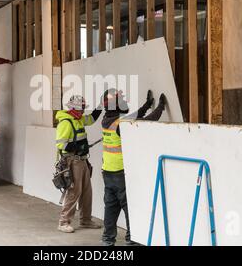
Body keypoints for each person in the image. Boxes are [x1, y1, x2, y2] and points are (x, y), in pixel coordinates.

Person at [100, 89, 166, 246]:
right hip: (120, 173)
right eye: (121, 101)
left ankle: (107, 240)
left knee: (111, 208)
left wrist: (147, 105)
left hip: (108, 172)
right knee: (129, 207)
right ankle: (132, 239)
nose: (124, 102)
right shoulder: (120, 124)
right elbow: (146, 122)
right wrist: (160, 107)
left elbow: (135, 116)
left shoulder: (108, 120)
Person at [55, 95, 103, 233]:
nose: (83, 112)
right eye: (81, 109)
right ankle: (63, 222)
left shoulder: (79, 119)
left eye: (83, 108)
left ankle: (85, 220)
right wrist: (77, 147)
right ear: (73, 109)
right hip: (72, 161)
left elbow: (92, 118)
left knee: (87, 191)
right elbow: (61, 144)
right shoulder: (65, 122)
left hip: (82, 160)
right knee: (74, 192)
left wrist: (100, 106)